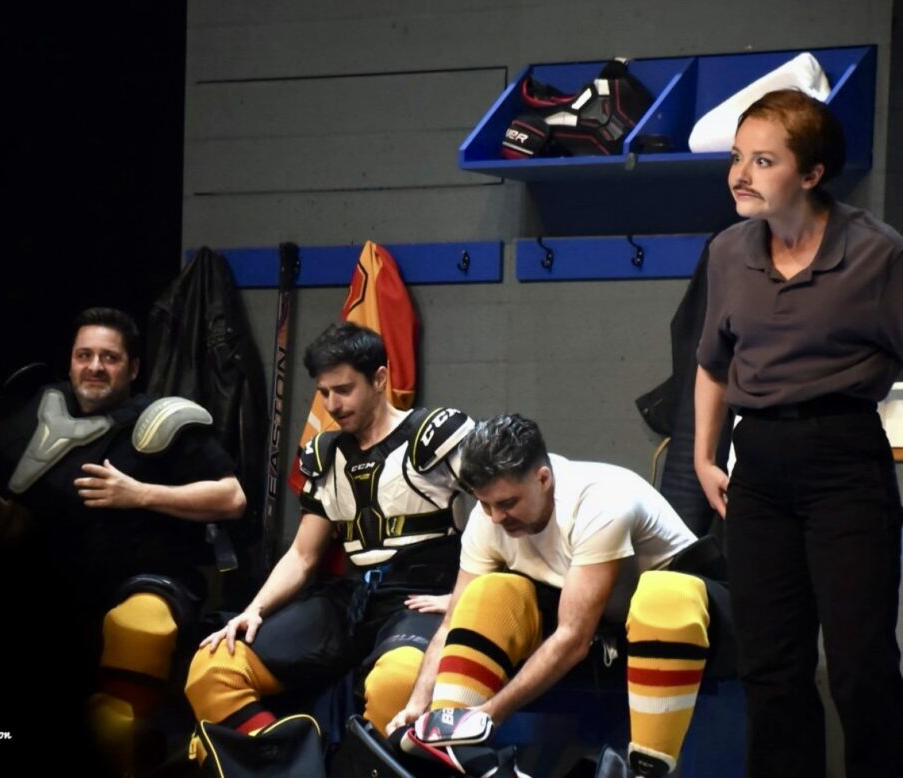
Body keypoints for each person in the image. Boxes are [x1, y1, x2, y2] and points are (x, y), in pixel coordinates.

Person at [694, 88, 903, 777]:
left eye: (763, 161)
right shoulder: (728, 251)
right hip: (758, 465)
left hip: (844, 459)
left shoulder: (877, 254)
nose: (740, 175)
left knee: (860, 667)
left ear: (812, 173)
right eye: (736, 158)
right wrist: (703, 457)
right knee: (771, 666)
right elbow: (712, 364)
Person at [0, 306, 247, 771]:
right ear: (70, 362)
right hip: (70, 591)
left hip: (151, 582)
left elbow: (233, 498)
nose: (95, 367)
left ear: (133, 368)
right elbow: (8, 528)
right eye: (84, 355)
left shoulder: (157, 421)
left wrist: (139, 494)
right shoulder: (43, 421)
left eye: (110, 357)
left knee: (132, 644)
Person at [184, 321, 474, 774]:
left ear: (380, 379)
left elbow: (501, 520)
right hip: (351, 600)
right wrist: (254, 610)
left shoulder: (435, 436)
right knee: (214, 668)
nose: (333, 405)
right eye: (324, 393)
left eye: (344, 390)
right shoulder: (324, 455)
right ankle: (294, 766)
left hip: (420, 599)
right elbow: (303, 555)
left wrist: (463, 596)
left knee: (396, 684)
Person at [389, 414, 736, 778]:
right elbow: (451, 622)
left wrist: (489, 715)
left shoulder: (601, 500)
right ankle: (453, 748)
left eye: (507, 503)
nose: (496, 517)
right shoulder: (487, 517)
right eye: (486, 504)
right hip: (600, 628)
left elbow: (573, 638)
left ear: (543, 478)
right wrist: (420, 707)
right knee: (490, 593)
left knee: (662, 596)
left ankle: (645, 770)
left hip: (687, 629)